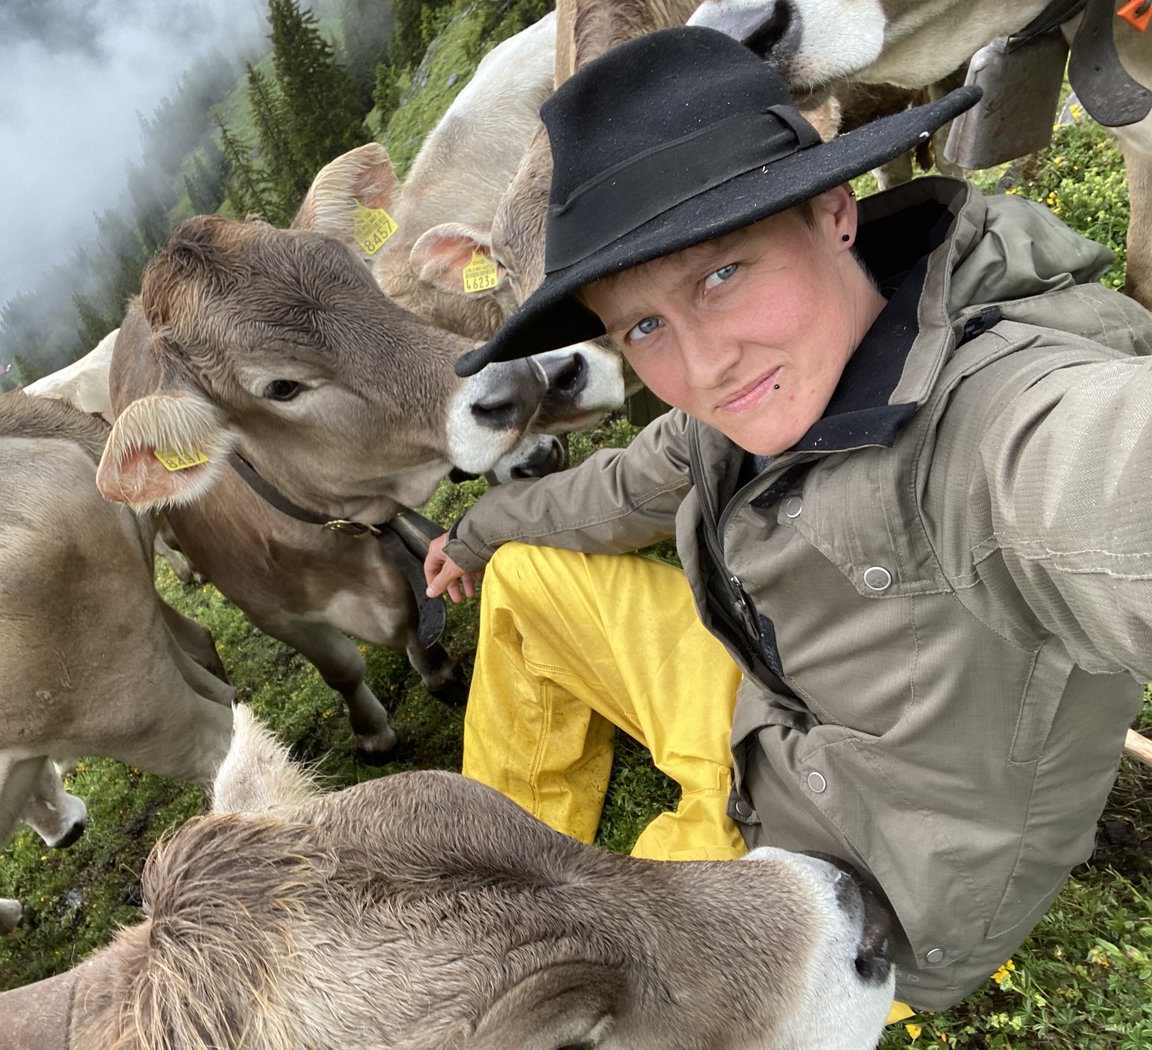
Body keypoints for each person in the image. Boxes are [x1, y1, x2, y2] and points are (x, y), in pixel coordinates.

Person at [422, 24, 1152, 1017]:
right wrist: (467, 536)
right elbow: (626, 484)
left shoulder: (1002, 427)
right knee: (524, 575)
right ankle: (507, 869)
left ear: (831, 208)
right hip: (757, 710)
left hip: (848, 886)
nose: (703, 364)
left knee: (571, 993)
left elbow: (1105, 481)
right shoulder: (748, 397)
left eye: (720, 274)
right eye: (643, 325)